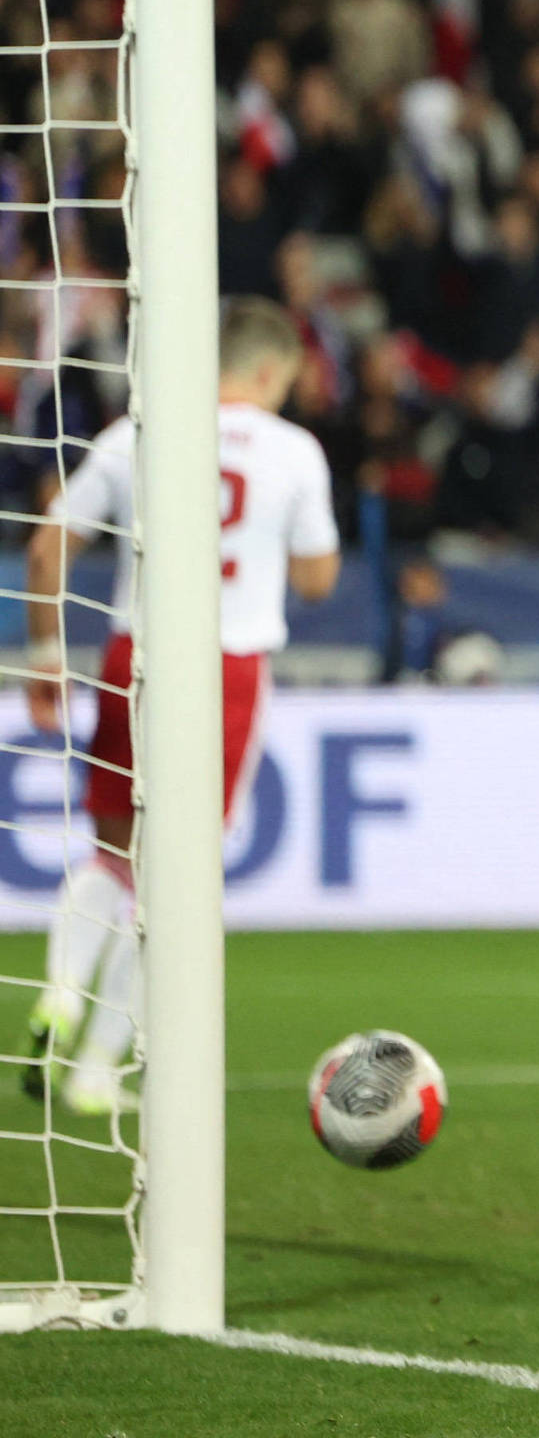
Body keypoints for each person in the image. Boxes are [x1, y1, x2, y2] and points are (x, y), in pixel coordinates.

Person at [21, 298, 340, 1115]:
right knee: (178, 885)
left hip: (137, 659)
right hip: (225, 668)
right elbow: (316, 581)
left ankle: (59, 986)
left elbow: (45, 542)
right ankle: (96, 1068)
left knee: (111, 851)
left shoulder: (138, 431)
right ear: (271, 371)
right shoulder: (294, 451)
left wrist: (48, 658)